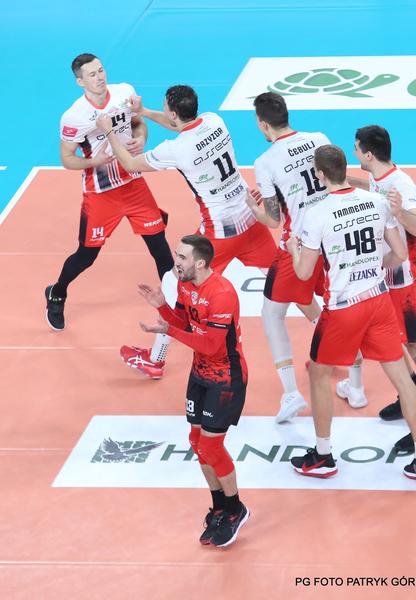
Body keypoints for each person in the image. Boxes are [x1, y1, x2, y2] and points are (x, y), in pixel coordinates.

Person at [96, 85, 276, 378]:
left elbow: (129, 163)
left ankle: (156, 360)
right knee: (287, 279)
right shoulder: (215, 121)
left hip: (219, 234)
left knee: (173, 283)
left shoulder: (175, 149)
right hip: (251, 217)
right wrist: (143, 112)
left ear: (171, 112)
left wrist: (109, 132)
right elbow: (179, 125)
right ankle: (334, 337)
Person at [287, 144, 416, 483]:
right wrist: (371, 268)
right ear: (345, 169)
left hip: (344, 308)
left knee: (319, 373)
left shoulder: (316, 213)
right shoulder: (376, 201)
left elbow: (303, 273)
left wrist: (295, 250)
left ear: (320, 174)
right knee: (403, 378)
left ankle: (323, 455)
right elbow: (400, 254)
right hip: (379, 302)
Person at [45, 54, 174, 331]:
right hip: (101, 193)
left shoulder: (124, 92)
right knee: (86, 256)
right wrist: (94, 161)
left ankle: (176, 305)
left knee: (159, 247)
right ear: (80, 82)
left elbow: (138, 123)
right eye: (92, 74)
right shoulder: (74, 116)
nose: (100, 77)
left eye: (101, 70)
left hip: (134, 183)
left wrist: (141, 138)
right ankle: (57, 292)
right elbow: (67, 158)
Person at [138, 234, 250, 547]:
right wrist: (162, 307)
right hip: (199, 375)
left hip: (226, 378)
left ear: (200, 263)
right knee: (197, 443)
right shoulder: (185, 285)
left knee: (212, 447)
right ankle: (219, 507)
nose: (176, 261)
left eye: (182, 257)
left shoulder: (222, 294)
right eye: (177, 255)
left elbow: (212, 345)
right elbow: (185, 324)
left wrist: (170, 330)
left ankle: (236, 508)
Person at [346, 125, 416, 453]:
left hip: (407, 283)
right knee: (391, 341)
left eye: (356, 149)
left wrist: (400, 212)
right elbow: (375, 191)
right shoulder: (379, 176)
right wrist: (344, 182)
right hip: (385, 279)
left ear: (368, 154)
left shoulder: (401, 185)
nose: (354, 153)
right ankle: (409, 395)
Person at [246, 92, 332, 423]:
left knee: (271, 314)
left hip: (300, 243)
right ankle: (350, 375)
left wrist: (253, 209)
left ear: (262, 124)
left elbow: (273, 219)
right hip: (333, 236)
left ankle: (291, 393)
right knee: (313, 298)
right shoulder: (319, 139)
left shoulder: (265, 161)